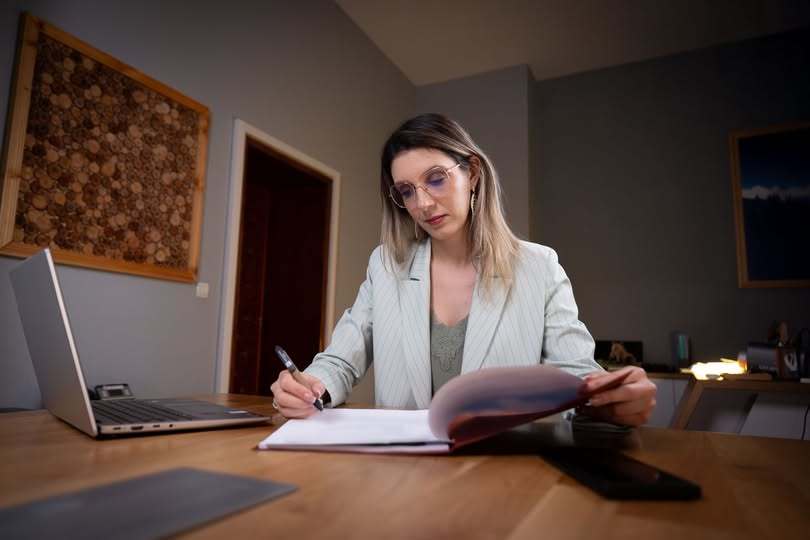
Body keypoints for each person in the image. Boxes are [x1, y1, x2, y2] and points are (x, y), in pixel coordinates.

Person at [270, 113, 656, 426]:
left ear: (472, 173)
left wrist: (609, 401)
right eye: (406, 191)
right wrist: (309, 387)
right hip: (403, 473)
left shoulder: (539, 268)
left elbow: (577, 379)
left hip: (504, 471)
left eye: (436, 179)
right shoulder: (386, 266)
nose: (422, 204)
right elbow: (340, 361)